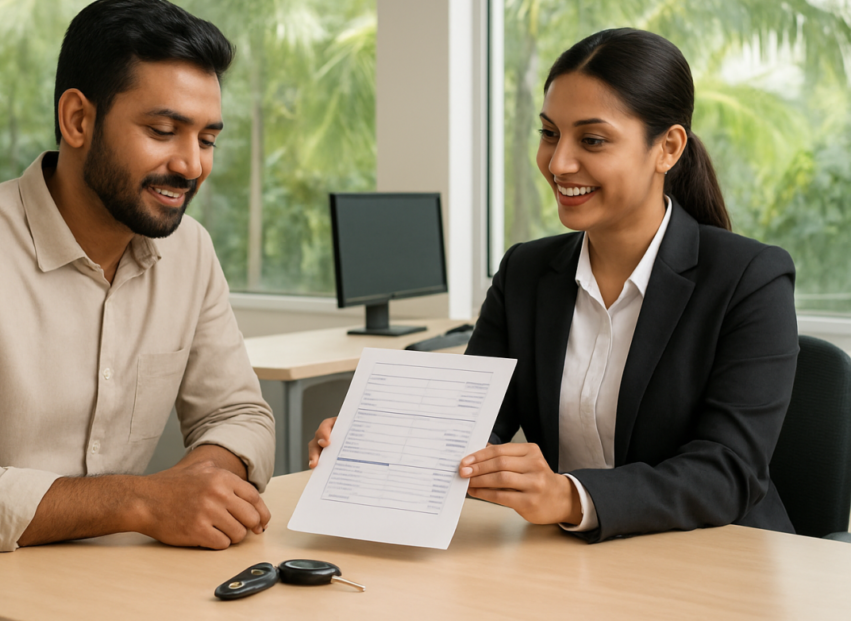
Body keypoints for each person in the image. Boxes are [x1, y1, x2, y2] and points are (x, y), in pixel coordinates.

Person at [0, 0, 275, 613]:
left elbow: (240, 414)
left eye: (207, 139)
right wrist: (141, 501)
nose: (190, 164)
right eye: (161, 131)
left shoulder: (190, 252)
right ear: (77, 120)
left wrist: (198, 481)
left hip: (92, 588)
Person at [309, 28, 798, 543]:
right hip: (572, 565)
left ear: (667, 148)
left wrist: (571, 496)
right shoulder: (525, 272)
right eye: (549, 133)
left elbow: (728, 471)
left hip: (717, 561)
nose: (559, 163)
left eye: (592, 140)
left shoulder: (750, 279)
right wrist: (379, 442)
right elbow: (475, 425)